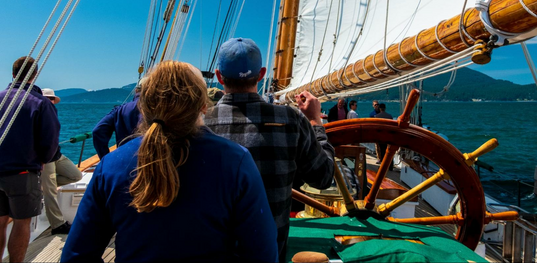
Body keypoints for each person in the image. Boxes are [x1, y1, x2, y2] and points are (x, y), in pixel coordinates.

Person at [61, 61, 278, 262]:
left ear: (143, 106)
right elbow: (263, 255)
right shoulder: (236, 162)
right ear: (203, 106)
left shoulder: (111, 166)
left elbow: (76, 256)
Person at [206, 38, 334, 262]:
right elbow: (323, 177)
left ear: (218, 76)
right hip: (268, 253)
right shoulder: (291, 120)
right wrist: (315, 123)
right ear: (262, 74)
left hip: (212, 253)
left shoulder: (199, 124)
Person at [0, 57, 60, 263]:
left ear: (13, 74)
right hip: (23, 173)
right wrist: (43, 159)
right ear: (35, 74)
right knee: (21, 222)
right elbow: (50, 141)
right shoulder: (40, 103)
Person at [41, 89, 82, 235]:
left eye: (52, 99)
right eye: (47, 98)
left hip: (57, 155)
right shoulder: (39, 115)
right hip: (46, 158)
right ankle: (57, 225)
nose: (50, 101)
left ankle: (42, 185)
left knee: (76, 175)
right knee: (50, 192)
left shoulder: (52, 114)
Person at [92, 79, 144, 158]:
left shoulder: (119, 110)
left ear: (136, 90)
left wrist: (105, 158)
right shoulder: (160, 109)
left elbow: (97, 131)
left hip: (124, 160)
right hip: (153, 163)